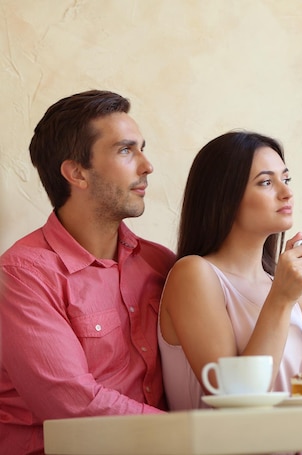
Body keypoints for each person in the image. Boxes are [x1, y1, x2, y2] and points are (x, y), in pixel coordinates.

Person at [0, 90, 176, 455]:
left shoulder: (161, 264)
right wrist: (194, 434)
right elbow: (70, 406)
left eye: (141, 148)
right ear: (77, 173)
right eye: (126, 150)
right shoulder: (22, 275)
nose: (147, 166)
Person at [159, 131, 302, 410]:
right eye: (266, 182)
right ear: (224, 197)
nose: (287, 192)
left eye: (286, 179)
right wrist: (280, 299)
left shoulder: (290, 287)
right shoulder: (193, 274)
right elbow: (238, 402)